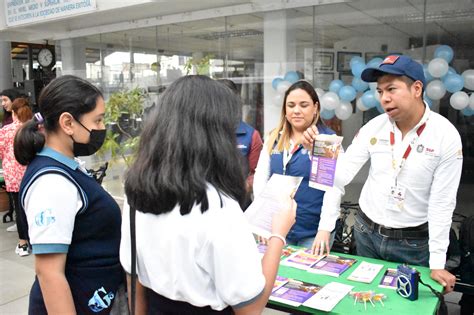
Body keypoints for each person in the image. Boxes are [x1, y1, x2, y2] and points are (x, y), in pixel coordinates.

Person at [120, 75, 296, 314]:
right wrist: (278, 235)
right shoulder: (218, 208)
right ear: (216, 133)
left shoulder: (137, 194)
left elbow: (134, 280)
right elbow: (251, 307)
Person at [304, 55, 462, 293]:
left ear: (417, 88)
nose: (384, 98)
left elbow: (442, 203)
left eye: (391, 89)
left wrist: (437, 262)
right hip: (366, 233)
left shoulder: (444, 136)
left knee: (407, 306)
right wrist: (317, 156)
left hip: (413, 242)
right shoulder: (373, 127)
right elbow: (342, 176)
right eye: (379, 91)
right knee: (367, 301)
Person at [14, 75, 124, 314]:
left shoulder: (67, 166)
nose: (101, 128)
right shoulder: (51, 182)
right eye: (97, 120)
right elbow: (49, 273)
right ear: (67, 123)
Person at [253, 80, 335, 249]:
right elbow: (261, 179)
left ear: (316, 108)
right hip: (277, 228)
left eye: (303, 105)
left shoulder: (325, 141)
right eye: (291, 105)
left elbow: (332, 190)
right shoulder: (274, 137)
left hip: (312, 232)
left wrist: (325, 229)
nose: (296, 110)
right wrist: (261, 222)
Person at [217, 79, 263, 204]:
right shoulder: (204, 132)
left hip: (239, 203)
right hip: (208, 203)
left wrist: (246, 186)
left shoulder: (251, 135)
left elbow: (258, 173)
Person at [0, 97, 33, 255]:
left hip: (13, 177)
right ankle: (36, 239)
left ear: (13, 113)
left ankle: (23, 244)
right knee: (32, 208)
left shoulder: (5, 131)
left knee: (20, 211)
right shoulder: (34, 128)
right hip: (33, 174)